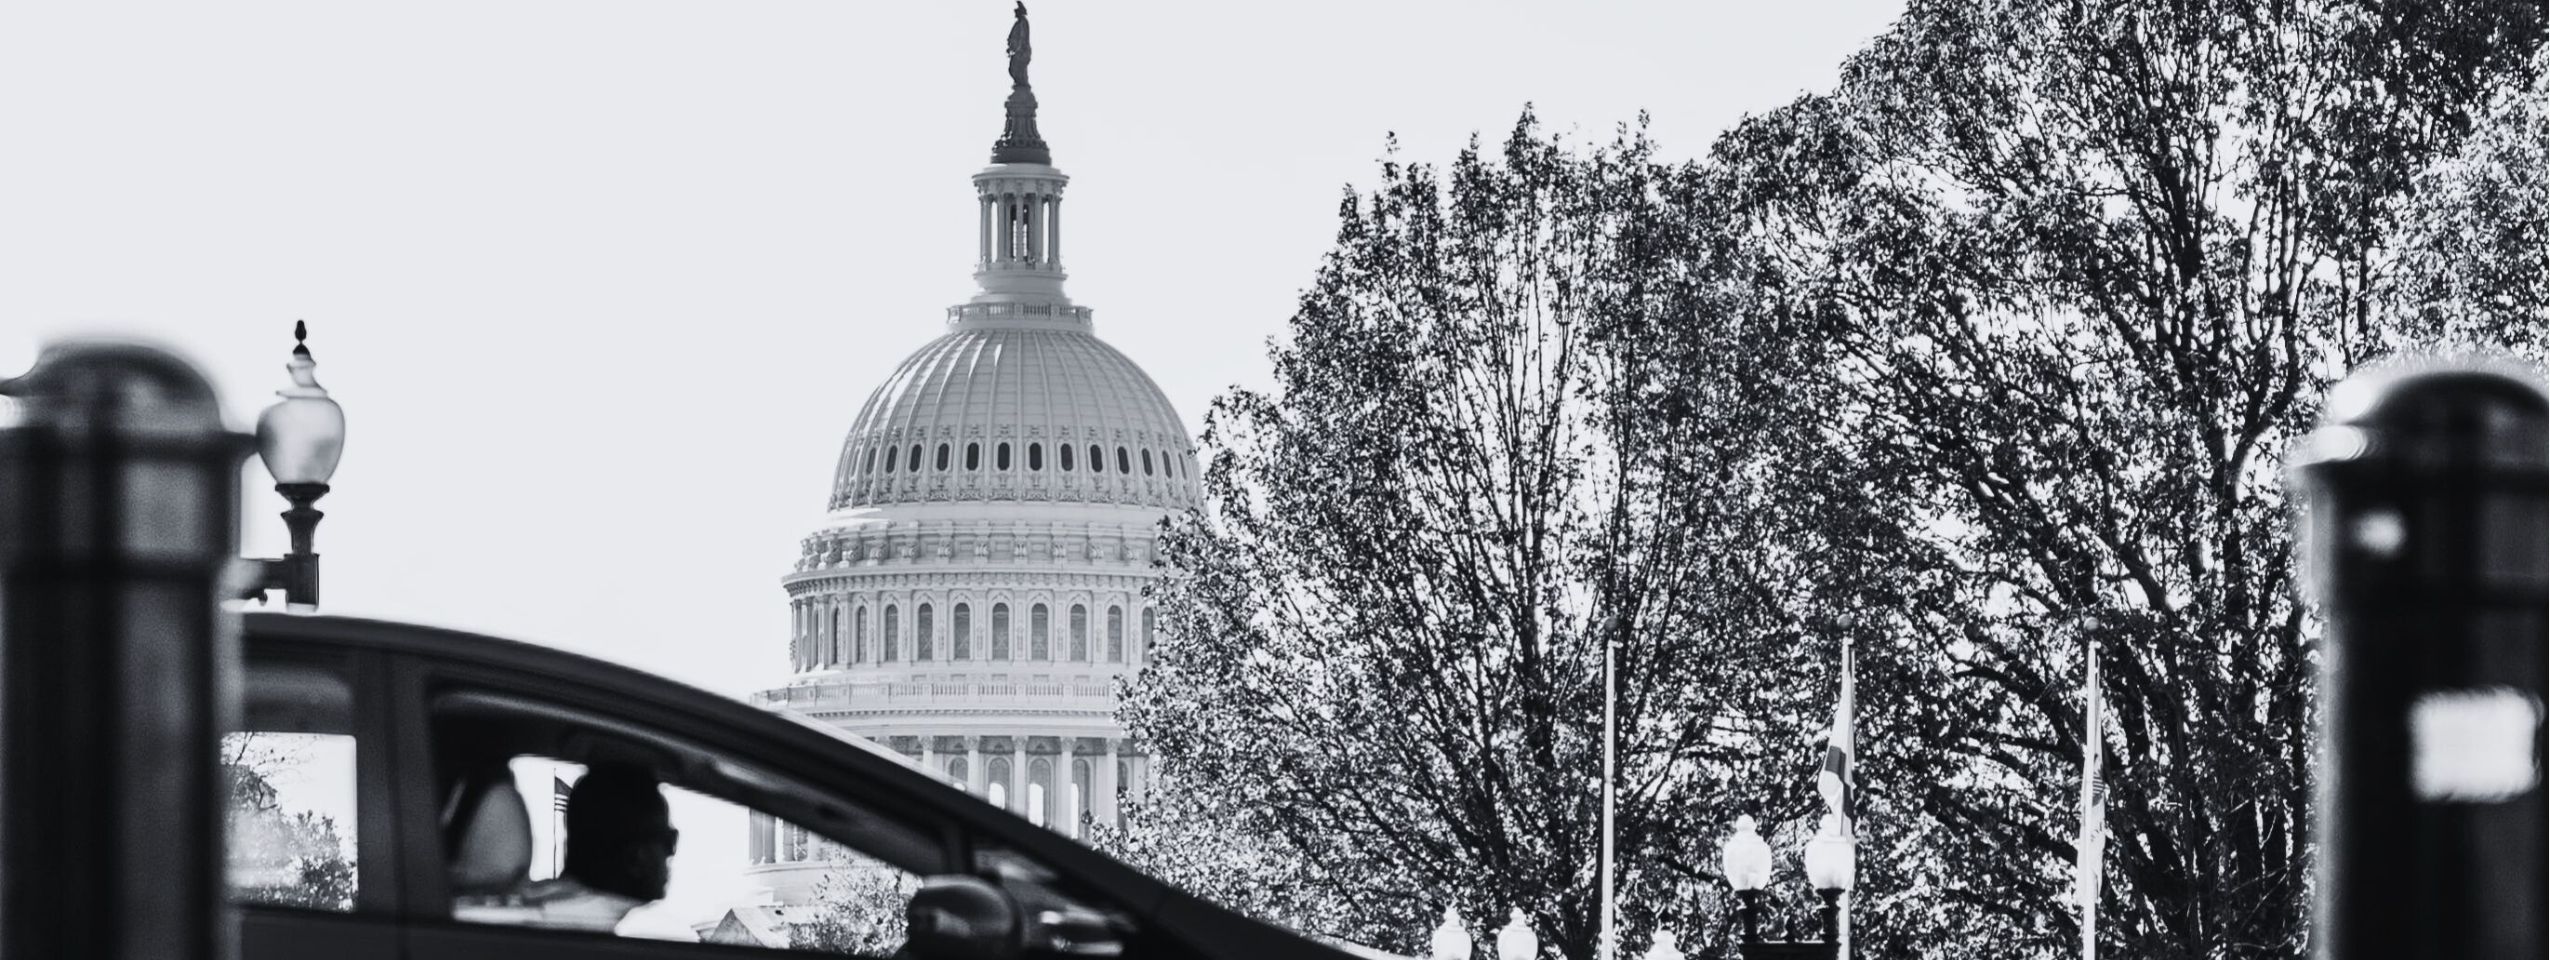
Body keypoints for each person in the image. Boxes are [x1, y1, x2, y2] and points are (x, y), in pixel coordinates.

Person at [516, 764, 679, 934]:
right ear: (636, 858)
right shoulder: (581, 929)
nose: (671, 853)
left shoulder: (541, 910)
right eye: (670, 840)